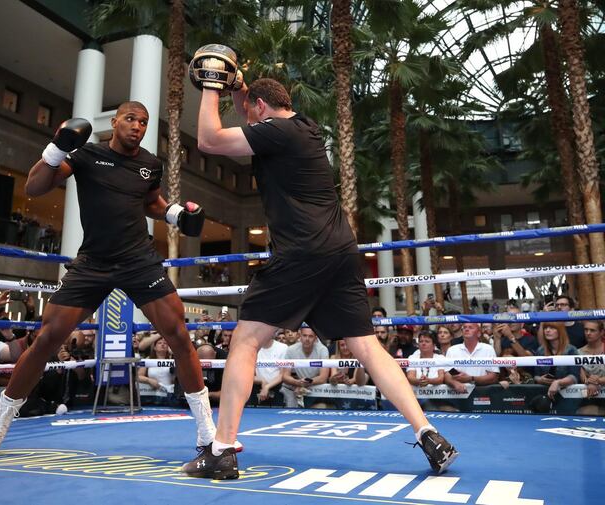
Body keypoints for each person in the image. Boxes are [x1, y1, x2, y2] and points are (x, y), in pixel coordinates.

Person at [182, 52, 457, 478]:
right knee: (367, 346)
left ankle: (221, 450)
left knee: (246, 342)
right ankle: (428, 434)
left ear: (261, 110)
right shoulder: (303, 127)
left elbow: (209, 140)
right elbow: (252, 116)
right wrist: (239, 88)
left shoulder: (276, 132)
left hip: (302, 252)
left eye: (251, 108)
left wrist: (211, 87)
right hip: (341, 251)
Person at [0, 102, 218, 462]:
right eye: (130, 119)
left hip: (138, 260)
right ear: (114, 123)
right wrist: (57, 148)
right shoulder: (85, 155)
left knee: (178, 333)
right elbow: (36, 187)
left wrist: (177, 214)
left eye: (143, 122)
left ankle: (208, 431)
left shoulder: (150, 165)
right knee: (46, 338)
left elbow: (151, 202)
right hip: (93, 263)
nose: (137, 126)